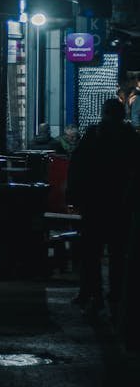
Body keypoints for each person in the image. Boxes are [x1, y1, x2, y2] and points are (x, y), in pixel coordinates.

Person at [66, 98, 140, 320]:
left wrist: (75, 196)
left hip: (96, 204)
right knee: (117, 254)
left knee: (92, 252)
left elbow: (76, 167)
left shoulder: (94, 135)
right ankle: (115, 295)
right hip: (119, 205)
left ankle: (93, 294)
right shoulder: (130, 138)